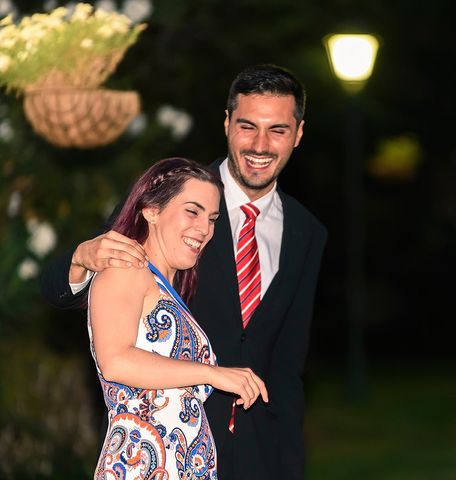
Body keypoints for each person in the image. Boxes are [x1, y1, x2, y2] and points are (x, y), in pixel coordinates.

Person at [41, 64, 327, 480]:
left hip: (256, 455)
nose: (260, 144)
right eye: (247, 126)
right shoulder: (174, 198)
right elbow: (68, 291)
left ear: (298, 134)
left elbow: (287, 368)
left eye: (278, 130)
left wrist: (288, 466)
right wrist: (82, 256)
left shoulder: (308, 232)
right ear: (227, 124)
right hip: (160, 449)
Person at [86, 157, 268, 479]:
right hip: (139, 465)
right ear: (151, 210)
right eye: (192, 211)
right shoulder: (125, 269)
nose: (205, 229)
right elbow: (115, 360)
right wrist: (213, 374)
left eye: (212, 218)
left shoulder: (165, 289)